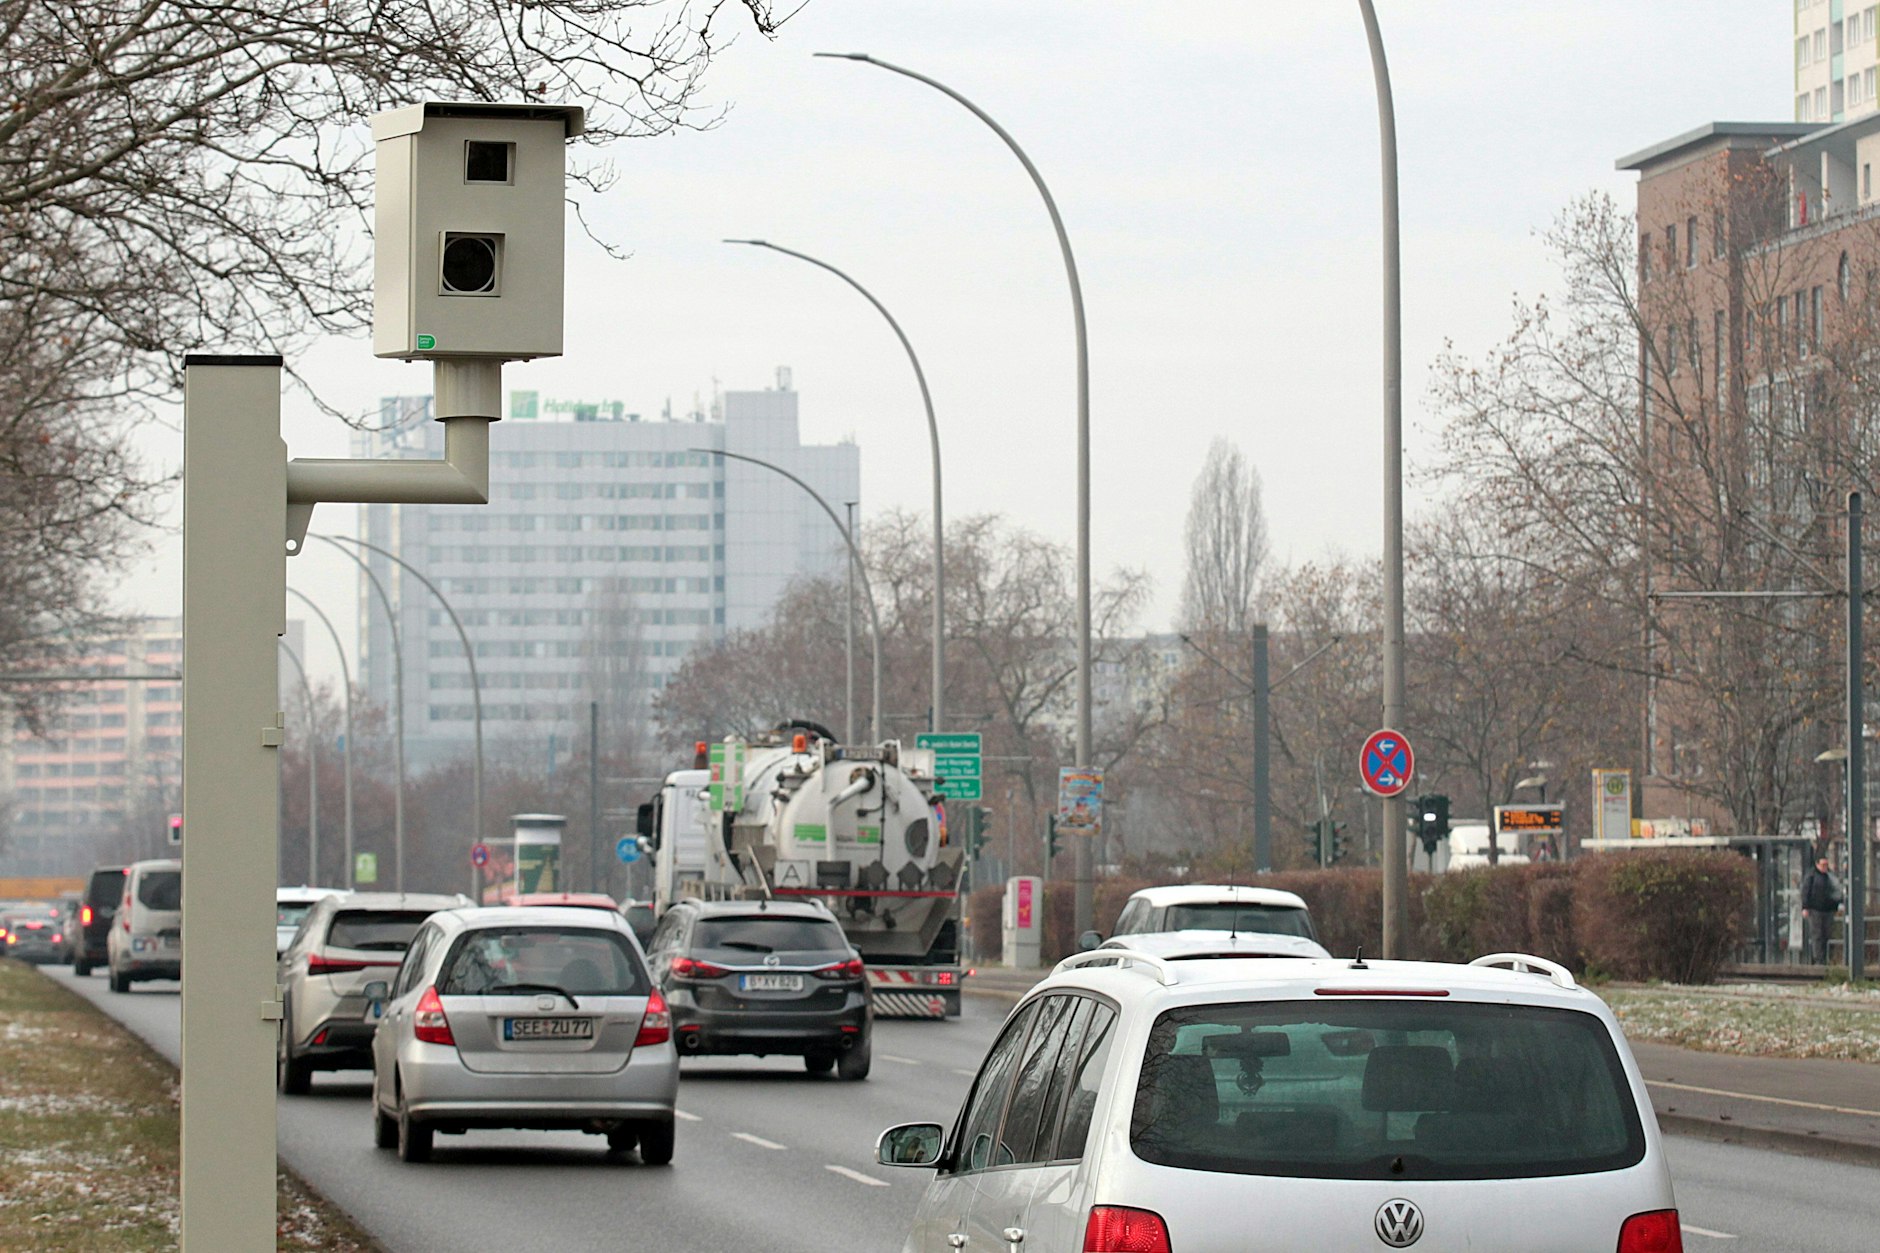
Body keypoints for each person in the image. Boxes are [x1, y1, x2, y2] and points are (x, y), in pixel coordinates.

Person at [1801, 855, 1844, 965]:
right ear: (1817, 864)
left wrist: (1839, 903)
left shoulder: (1830, 876)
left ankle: (1827, 957)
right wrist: (1805, 907)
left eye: (1826, 865)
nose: (1825, 867)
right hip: (1815, 909)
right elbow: (1806, 891)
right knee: (1817, 934)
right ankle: (1818, 959)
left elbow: (1837, 890)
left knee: (1828, 934)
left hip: (1829, 909)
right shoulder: (1811, 876)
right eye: (1823, 865)